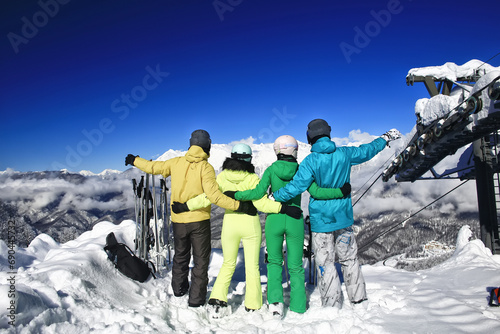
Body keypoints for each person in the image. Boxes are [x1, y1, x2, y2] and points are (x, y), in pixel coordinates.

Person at [271, 119, 401, 309]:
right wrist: (385, 138)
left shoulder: (310, 162)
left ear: (310, 137)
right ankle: (358, 299)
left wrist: (276, 196)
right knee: (349, 259)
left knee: (326, 263)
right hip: (343, 218)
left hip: (321, 221)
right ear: (328, 134)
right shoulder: (344, 154)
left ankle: (332, 304)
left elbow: (296, 186)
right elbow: (367, 151)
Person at [124, 130, 256, 308]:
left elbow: (153, 167)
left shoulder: (176, 162)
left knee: (180, 256)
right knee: (201, 260)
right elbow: (214, 196)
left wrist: (135, 160)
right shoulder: (206, 168)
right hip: (199, 221)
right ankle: (196, 299)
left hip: (178, 220)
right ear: (207, 146)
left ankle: (179, 290)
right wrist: (239, 206)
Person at [172, 143, 302, 318]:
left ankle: (217, 300)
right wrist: (284, 209)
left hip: (230, 223)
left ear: (232, 157)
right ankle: (253, 304)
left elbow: (207, 197)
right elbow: (261, 203)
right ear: (249, 158)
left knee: (228, 263)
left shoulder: (222, 177)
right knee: (252, 266)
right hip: (250, 224)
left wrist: (186, 206)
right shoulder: (252, 178)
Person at [227, 135, 351, 316]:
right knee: (295, 266)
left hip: (274, 219)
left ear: (277, 150)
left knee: (274, 262)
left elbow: (257, 193)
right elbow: (316, 191)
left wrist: (235, 195)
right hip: (295, 221)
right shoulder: (302, 169)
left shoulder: (270, 170)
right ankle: (299, 306)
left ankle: (275, 303)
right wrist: (340, 191)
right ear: (295, 150)